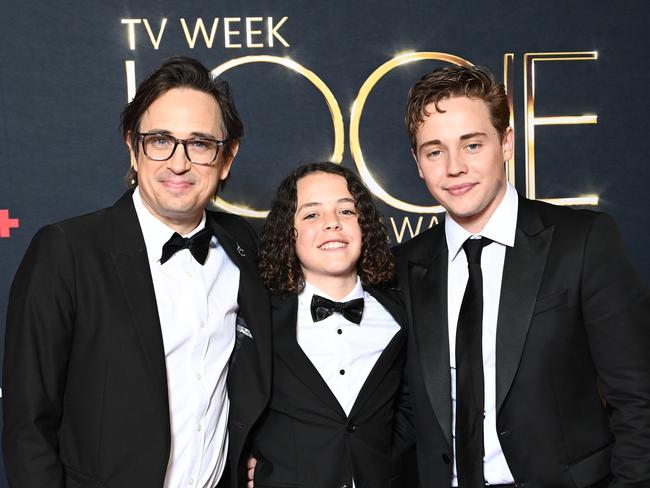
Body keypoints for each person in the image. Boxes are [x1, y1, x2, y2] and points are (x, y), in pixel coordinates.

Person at [2, 56, 271, 488]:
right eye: (160, 140)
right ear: (133, 145)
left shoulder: (247, 247)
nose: (178, 163)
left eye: (200, 144)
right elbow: (27, 423)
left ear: (226, 157)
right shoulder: (67, 252)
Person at [394, 65, 650, 487]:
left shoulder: (582, 242)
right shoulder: (402, 266)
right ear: (418, 163)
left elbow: (638, 397)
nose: (454, 167)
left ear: (507, 142)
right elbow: (391, 411)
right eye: (435, 151)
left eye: (472, 145)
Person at [249, 162, 410, 488]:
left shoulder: (401, 317)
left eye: (346, 212)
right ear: (288, 233)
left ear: (363, 224)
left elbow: (415, 414)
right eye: (311, 215)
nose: (332, 224)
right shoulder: (260, 320)